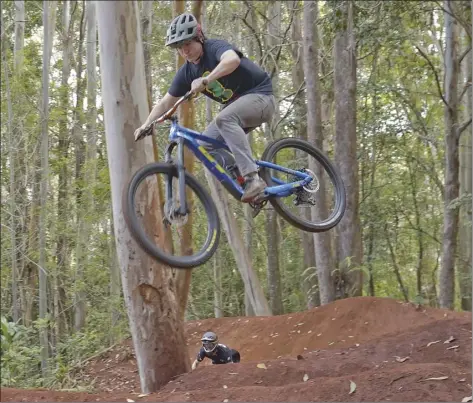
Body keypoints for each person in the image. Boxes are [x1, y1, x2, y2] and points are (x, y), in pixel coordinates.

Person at [134, 12, 276, 202]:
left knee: (224, 118)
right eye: (179, 47)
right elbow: (166, 102)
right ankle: (245, 182)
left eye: (187, 44)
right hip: (239, 111)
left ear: (199, 38)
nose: (184, 51)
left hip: (262, 97)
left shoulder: (214, 47)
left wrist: (207, 79)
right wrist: (146, 124)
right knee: (203, 147)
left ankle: (253, 178)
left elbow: (232, 60)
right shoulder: (187, 72)